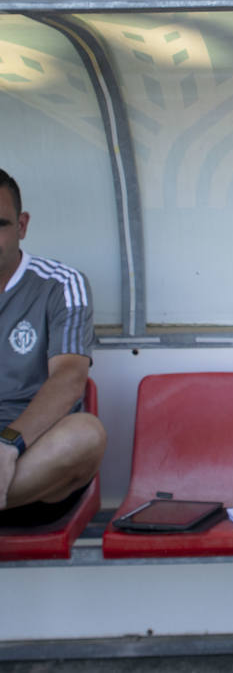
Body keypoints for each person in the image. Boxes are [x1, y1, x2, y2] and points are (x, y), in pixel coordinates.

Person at [0, 170, 107, 530]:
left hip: (35, 470)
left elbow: (69, 379)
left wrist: (8, 445)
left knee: (85, 435)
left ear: (22, 225)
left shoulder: (59, 284)